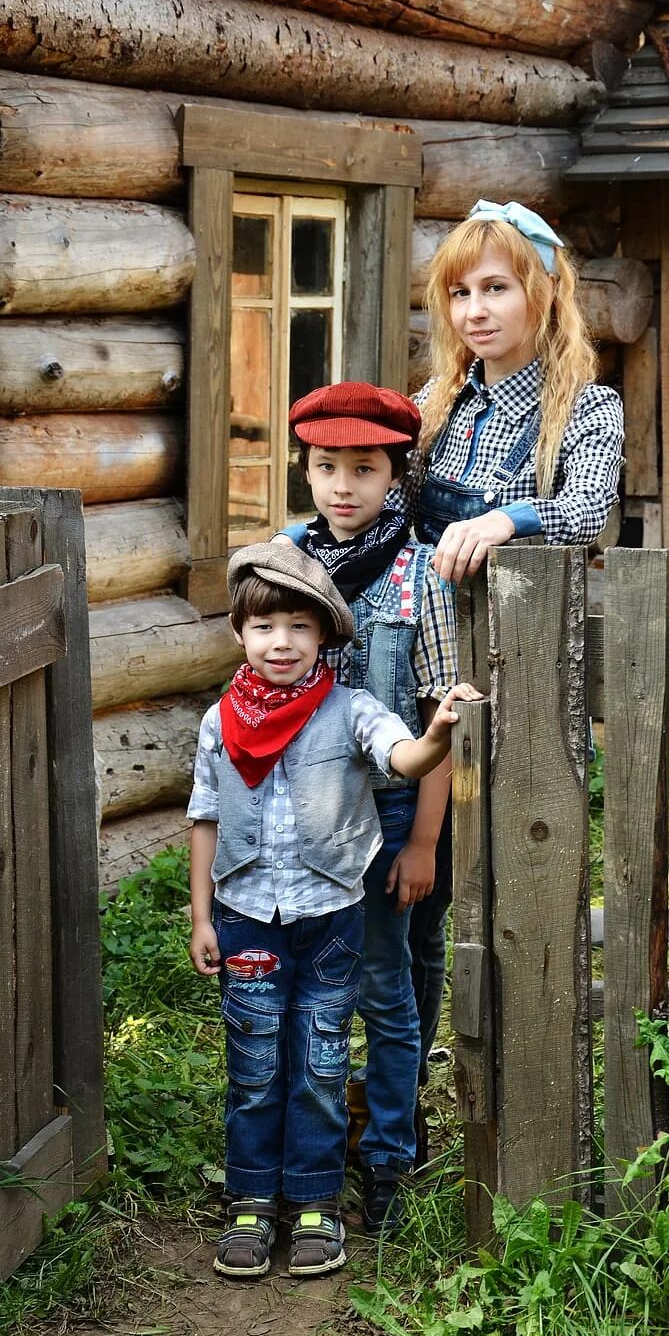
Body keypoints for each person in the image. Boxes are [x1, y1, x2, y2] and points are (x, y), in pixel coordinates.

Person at [187, 540, 479, 1280]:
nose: (279, 642)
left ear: (325, 637)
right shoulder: (220, 722)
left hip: (330, 918)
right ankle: (252, 1202)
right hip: (246, 915)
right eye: (262, 627)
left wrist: (439, 729)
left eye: (298, 627)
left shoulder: (351, 709)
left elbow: (406, 758)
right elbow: (204, 820)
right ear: (239, 635)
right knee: (253, 1064)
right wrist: (200, 917)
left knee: (319, 1059)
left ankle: (315, 1200)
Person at [397, 198, 625, 1096]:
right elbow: (378, 505)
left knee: (517, 885)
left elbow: (586, 512)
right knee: (415, 887)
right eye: (458, 293)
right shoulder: (434, 406)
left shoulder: (585, 408)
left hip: (521, 678)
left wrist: (505, 516)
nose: (475, 311)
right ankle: (400, 1100)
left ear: (542, 292)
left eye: (496, 288)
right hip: (420, 675)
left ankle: (525, 1082)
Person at [285, 380, 457, 1233]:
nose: (343, 485)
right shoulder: (287, 561)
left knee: (386, 992)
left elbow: (439, 719)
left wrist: (422, 842)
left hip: (388, 821)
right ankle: (301, 1158)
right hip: (299, 821)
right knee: (305, 990)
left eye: (365, 467)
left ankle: (389, 1159)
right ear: (306, 470)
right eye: (326, 466)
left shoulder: (417, 572)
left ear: (396, 474)